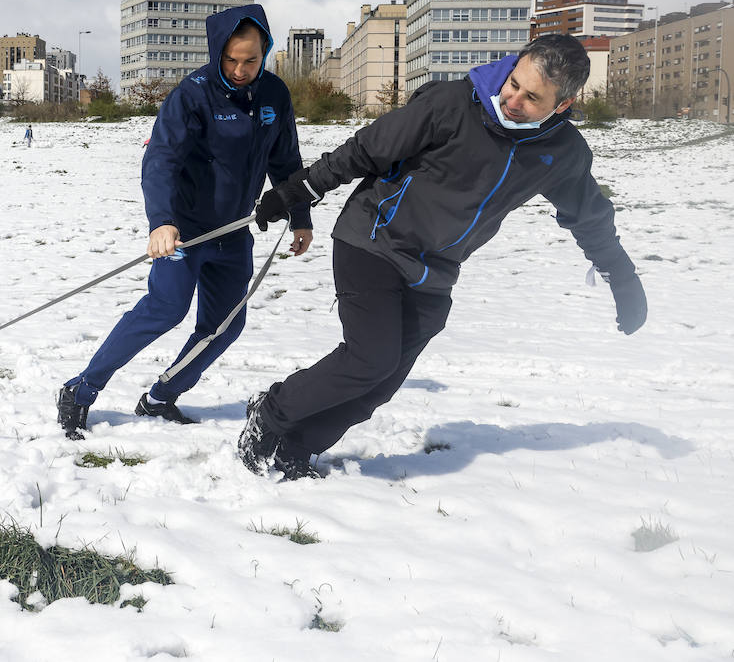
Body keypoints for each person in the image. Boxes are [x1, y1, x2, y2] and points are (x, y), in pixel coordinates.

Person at [238, 34, 649, 480]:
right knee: (369, 359)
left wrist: (622, 279)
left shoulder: (562, 153)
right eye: (514, 83)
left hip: (437, 267)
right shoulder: (452, 104)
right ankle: (271, 414)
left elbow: (589, 218)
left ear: (563, 105)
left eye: (533, 98)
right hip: (373, 238)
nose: (512, 100)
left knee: (385, 379)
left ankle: (298, 447)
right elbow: (365, 150)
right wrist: (297, 191)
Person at [56, 4, 314, 438]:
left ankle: (161, 397)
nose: (240, 69)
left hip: (234, 233)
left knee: (225, 326)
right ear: (217, 52)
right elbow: (161, 159)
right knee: (165, 309)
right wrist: (162, 221)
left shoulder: (275, 95)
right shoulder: (193, 94)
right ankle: (80, 389)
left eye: (251, 60)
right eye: (231, 59)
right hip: (187, 230)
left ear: (265, 52)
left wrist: (300, 216)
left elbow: (286, 159)